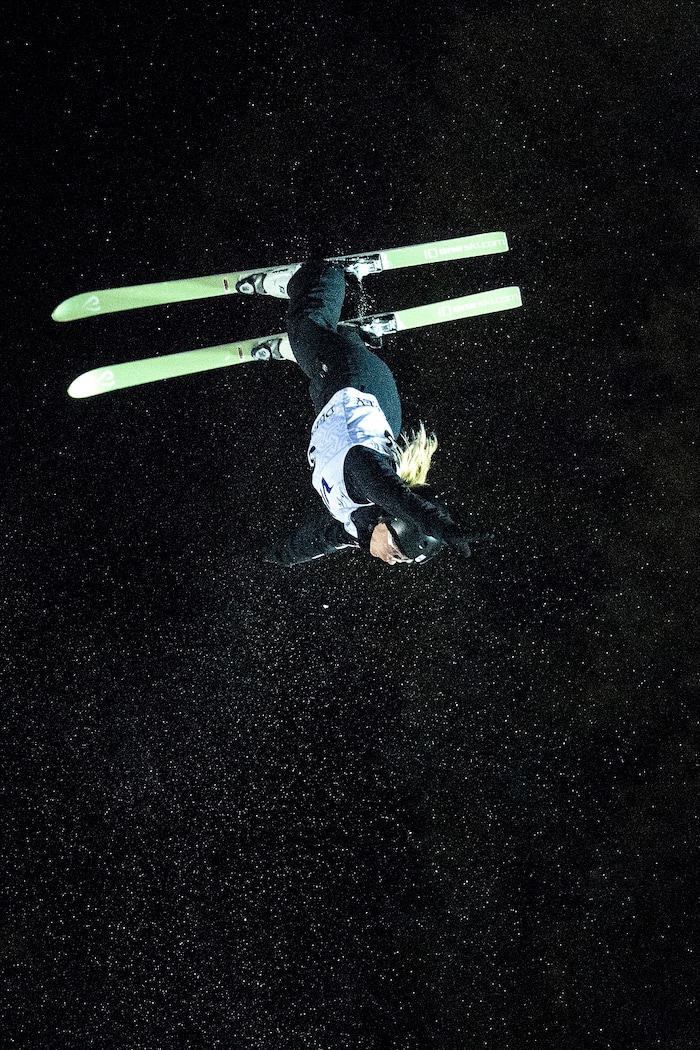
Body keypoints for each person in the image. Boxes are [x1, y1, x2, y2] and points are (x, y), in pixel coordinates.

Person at [242, 258, 490, 566]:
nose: (390, 561)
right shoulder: (367, 484)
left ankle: (350, 329)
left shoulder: (355, 526)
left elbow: (316, 540)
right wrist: (438, 525)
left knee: (319, 366)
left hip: (358, 402)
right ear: (395, 525)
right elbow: (391, 493)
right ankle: (317, 274)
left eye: (400, 562)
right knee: (306, 327)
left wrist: (267, 559)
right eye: (397, 552)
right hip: (353, 380)